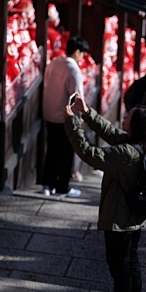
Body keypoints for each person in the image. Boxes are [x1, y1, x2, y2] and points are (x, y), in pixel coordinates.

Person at [65, 95, 146, 292]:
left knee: (119, 264)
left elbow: (90, 154)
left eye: (128, 116)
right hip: (135, 215)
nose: (124, 116)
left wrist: (72, 123)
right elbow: (109, 131)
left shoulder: (126, 153)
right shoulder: (144, 145)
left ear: (135, 125)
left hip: (120, 218)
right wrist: (86, 112)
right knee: (131, 259)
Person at [42, 35, 90, 198]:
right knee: (66, 153)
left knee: (51, 151)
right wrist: (81, 118)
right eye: (82, 54)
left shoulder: (54, 62)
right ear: (77, 52)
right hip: (65, 117)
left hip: (49, 113)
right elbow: (77, 98)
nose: (82, 57)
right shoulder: (74, 69)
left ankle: (48, 184)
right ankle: (62, 186)